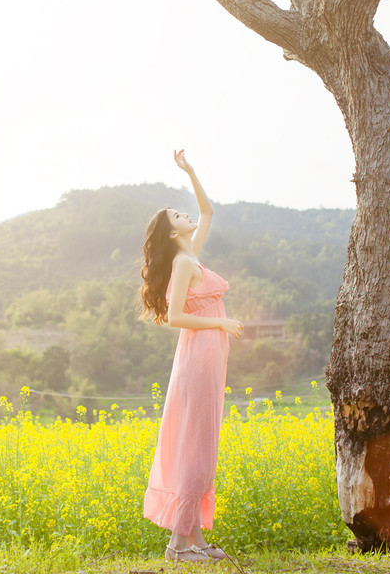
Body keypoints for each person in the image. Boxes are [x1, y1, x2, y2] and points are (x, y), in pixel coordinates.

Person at [139, 150, 243, 564]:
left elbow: (208, 210)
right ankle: (178, 545)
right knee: (197, 448)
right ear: (170, 233)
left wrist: (191, 171)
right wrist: (221, 324)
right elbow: (177, 316)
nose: (187, 216)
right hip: (198, 356)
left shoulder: (191, 253)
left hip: (208, 357)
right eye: (177, 216)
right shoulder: (183, 262)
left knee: (201, 445)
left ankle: (195, 541)